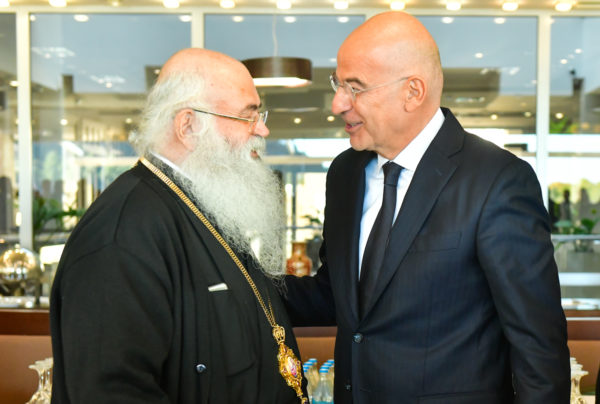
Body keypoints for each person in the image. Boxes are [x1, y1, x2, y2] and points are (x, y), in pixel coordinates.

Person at [281, 11, 570, 403]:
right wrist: (238, 278)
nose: (337, 103)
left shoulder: (497, 180)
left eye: (355, 87)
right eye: (338, 84)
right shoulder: (345, 173)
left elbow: (538, 347)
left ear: (413, 92)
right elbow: (339, 296)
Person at [50, 48, 307, 404]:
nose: (262, 129)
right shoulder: (121, 233)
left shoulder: (203, 204)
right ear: (188, 126)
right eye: (247, 116)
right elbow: (113, 391)